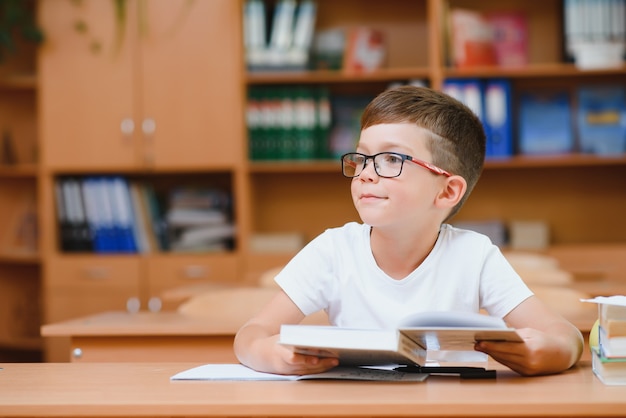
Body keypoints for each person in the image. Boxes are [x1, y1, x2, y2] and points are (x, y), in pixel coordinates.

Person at [234, 85, 583, 376]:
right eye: (362, 157)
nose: (366, 173)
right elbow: (250, 336)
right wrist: (270, 354)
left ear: (447, 191)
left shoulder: (474, 256)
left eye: (392, 159)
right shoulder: (333, 250)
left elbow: (565, 336)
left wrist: (550, 351)